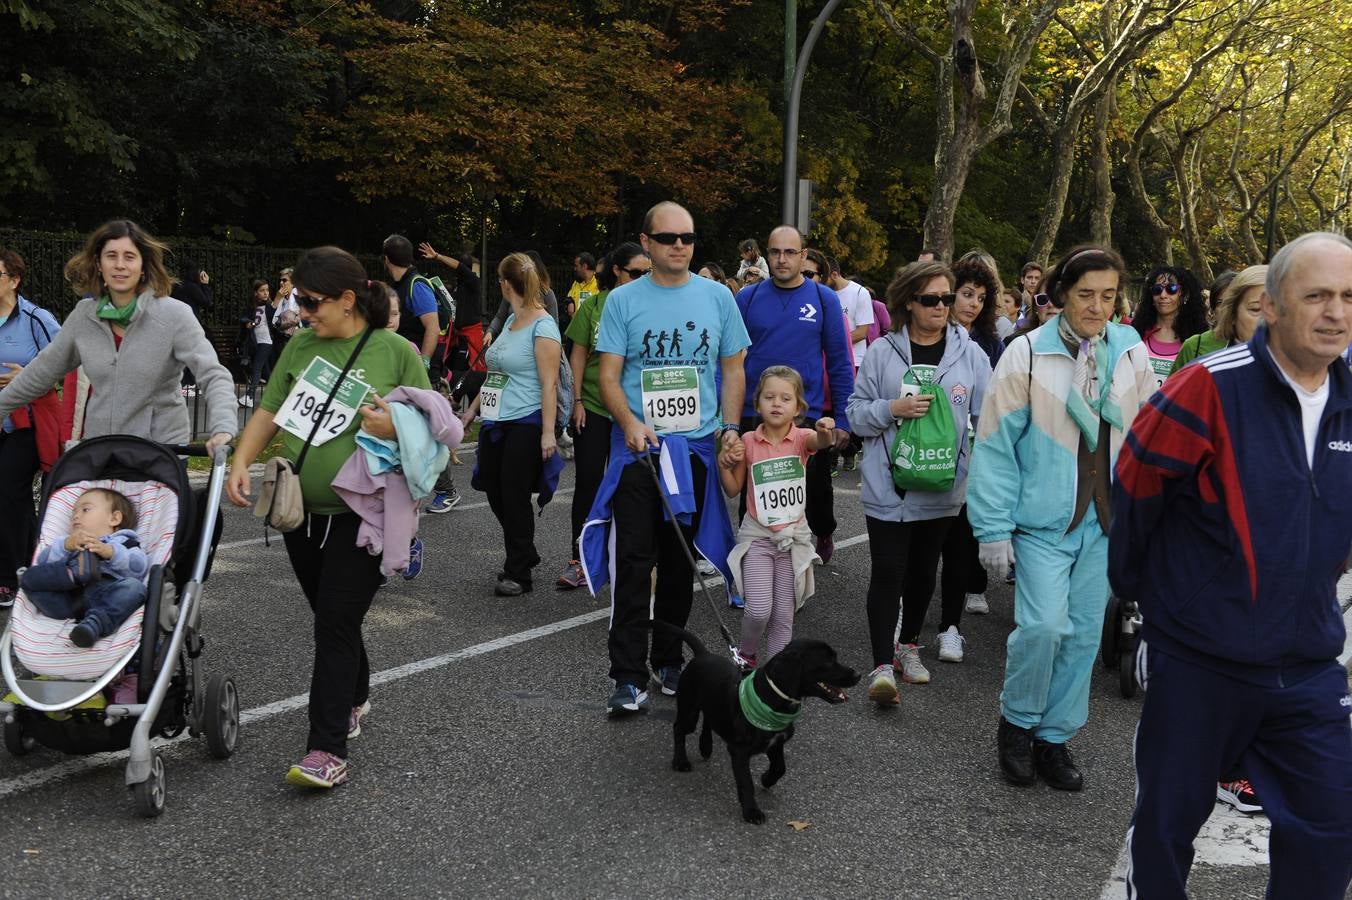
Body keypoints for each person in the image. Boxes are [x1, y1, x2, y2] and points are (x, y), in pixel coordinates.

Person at [1110, 232, 1352, 899]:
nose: (1335, 312)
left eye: (1349, 297)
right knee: (1167, 823)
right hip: (1199, 656)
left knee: (1332, 825)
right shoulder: (1205, 388)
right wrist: (1151, 606)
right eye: (1317, 296)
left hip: (1305, 664)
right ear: (1272, 306)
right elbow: (1136, 491)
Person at [226, 246, 431, 789]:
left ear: (347, 299)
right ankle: (356, 694)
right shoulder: (298, 348)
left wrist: (395, 429)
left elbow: (437, 429)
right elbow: (269, 411)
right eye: (299, 300)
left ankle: (326, 749)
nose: (303, 310)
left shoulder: (396, 352)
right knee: (331, 614)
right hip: (300, 512)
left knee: (334, 622)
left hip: (363, 517)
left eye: (311, 301)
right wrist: (242, 461)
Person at [967, 244, 1152, 790]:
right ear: (1062, 294)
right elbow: (996, 445)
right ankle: (1017, 724)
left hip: (1107, 522)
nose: (1097, 307)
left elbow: (1145, 437)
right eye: (1086, 294)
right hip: (1045, 521)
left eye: (1108, 296)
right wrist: (993, 528)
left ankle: (1054, 737)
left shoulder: (1129, 350)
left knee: (1081, 636)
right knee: (1044, 627)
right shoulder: (1026, 353)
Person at [581, 201, 749, 715]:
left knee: (680, 562)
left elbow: (734, 369)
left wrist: (729, 427)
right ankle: (628, 676)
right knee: (634, 563)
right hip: (639, 452)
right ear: (647, 241)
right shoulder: (623, 301)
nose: (680, 245)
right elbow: (607, 375)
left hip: (695, 449)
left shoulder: (719, 297)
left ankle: (670, 660)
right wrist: (629, 423)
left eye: (689, 238)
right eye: (669, 237)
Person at [847, 260, 989, 703]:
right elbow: (855, 413)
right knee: (889, 571)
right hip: (888, 485)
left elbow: (989, 420)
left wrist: (984, 472)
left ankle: (908, 646)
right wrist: (892, 409)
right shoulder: (882, 352)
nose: (942, 307)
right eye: (932, 299)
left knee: (924, 573)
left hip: (945, 485)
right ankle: (881, 666)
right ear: (909, 302)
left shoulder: (971, 354)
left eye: (947, 299)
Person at [0, 220, 235, 458]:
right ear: (98, 264)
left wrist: (223, 428)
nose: (120, 265)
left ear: (143, 266)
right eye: (111, 256)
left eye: (130, 257)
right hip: (102, 453)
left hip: (160, 456)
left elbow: (212, 374)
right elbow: (41, 372)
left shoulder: (174, 315)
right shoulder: (84, 316)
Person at [735, 226, 853, 566]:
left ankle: (823, 530)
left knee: (812, 494)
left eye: (790, 252)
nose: (782, 259)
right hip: (754, 412)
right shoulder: (748, 297)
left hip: (806, 414)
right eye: (775, 252)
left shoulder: (823, 299)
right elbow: (730, 360)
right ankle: (756, 564)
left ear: (803, 256)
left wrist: (843, 419)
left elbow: (840, 361)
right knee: (754, 497)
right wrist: (727, 418)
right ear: (766, 255)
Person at [458, 253, 562, 596]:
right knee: (493, 488)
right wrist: (472, 410)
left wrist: (548, 433)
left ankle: (518, 571)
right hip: (495, 418)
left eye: (500, 280)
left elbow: (549, 383)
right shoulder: (510, 322)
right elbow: (495, 374)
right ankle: (525, 549)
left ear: (506, 284)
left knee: (514, 495)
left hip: (526, 420)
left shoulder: (543, 325)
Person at [721, 366, 834, 668]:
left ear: (798, 408)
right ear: (757, 403)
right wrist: (722, 465)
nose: (776, 403)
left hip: (792, 539)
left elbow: (819, 443)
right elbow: (733, 490)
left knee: (784, 615)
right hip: (757, 538)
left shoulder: (802, 438)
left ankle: (775, 674)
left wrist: (825, 431)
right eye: (769, 397)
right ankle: (746, 654)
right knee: (758, 610)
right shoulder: (747, 441)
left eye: (786, 398)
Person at [556, 243, 650, 589]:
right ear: (617, 271)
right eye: (636, 273)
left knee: (633, 486)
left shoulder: (653, 305)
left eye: (648, 273)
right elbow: (577, 357)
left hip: (636, 412)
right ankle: (579, 559)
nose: (643, 279)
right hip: (594, 406)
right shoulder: (593, 305)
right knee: (589, 483)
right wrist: (577, 400)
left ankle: (625, 557)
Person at [939, 257, 1002, 625]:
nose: (973, 304)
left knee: (965, 533)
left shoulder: (988, 344)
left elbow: (992, 406)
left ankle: (965, 598)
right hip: (929, 452)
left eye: (980, 298)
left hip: (970, 452)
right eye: (966, 295)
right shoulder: (926, 336)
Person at [0, 249, 62, 608]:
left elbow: (68, 363)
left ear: (14, 279)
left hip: (27, 422)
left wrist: (29, 377)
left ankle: (8, 580)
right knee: (17, 499)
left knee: (8, 490)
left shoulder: (37, 319)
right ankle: (31, 564)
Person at [20, 487, 147, 648]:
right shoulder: (68, 542)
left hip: (105, 597)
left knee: (135, 588)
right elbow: (44, 561)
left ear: (114, 518)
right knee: (29, 576)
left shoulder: (124, 542)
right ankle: (74, 574)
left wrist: (110, 552)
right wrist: (66, 545)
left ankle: (93, 625)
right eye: (74, 513)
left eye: (85, 509)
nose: (76, 516)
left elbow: (139, 568)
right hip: (68, 601)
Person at [418, 241, 484, 514]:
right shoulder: (458, 289)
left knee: (467, 388)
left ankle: (463, 438)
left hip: (472, 345)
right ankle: (454, 434)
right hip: (458, 344)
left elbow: (463, 269)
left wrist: (436, 256)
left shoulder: (473, 284)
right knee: (452, 392)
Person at [1170, 265, 1267, 373]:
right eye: (1220, 303)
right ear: (1212, 309)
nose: (1226, 309)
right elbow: (1173, 388)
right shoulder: (1194, 346)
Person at [827, 258, 874, 471]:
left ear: (834, 274)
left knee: (847, 409)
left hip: (855, 359)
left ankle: (850, 450)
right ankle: (829, 456)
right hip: (827, 358)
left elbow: (863, 331)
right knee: (828, 409)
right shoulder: (822, 294)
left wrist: (835, 339)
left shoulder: (859, 293)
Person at [1133, 264, 1208, 391]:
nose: (1163, 295)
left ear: (1185, 295)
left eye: (1171, 289)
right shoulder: (1135, 333)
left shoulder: (1198, 340)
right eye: (1157, 289)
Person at [382, 234, 441, 371]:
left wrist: (424, 363)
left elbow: (433, 327)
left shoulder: (417, 286)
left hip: (416, 368)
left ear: (386, 259)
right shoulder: (400, 284)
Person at [240, 279, 273, 408]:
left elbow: (273, 317)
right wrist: (247, 322)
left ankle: (250, 396)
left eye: (267, 290)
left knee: (257, 367)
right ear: (255, 293)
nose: (266, 293)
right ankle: (280, 397)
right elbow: (243, 317)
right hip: (255, 341)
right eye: (262, 290)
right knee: (267, 373)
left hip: (266, 341)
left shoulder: (270, 306)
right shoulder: (251, 306)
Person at [566, 253, 599, 320]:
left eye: (576, 266)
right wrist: (570, 302)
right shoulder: (576, 282)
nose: (575, 269)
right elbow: (569, 297)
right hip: (575, 326)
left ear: (584, 266)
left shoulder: (599, 283)